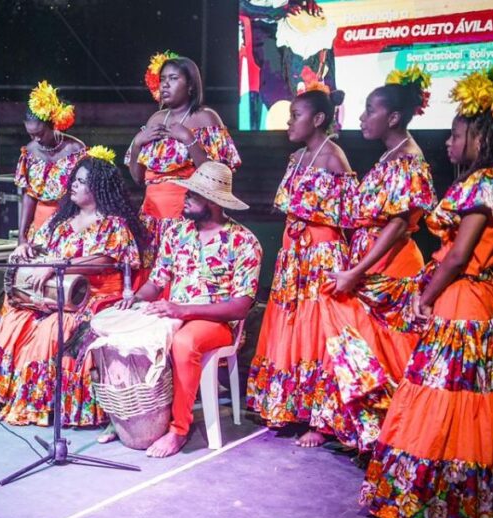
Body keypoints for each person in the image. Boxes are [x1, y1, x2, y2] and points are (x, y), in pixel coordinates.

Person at [361, 68, 493, 518]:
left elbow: (459, 256)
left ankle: (414, 513)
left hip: (460, 306)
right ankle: (448, 509)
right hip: (477, 305)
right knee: (465, 410)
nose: (449, 143)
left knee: (438, 408)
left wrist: (424, 299)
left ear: (482, 138)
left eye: (456, 135)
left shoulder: (487, 182)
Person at [315, 67, 437, 451]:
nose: (363, 118)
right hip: (371, 259)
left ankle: (399, 431)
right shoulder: (391, 156)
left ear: (394, 117)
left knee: (387, 346)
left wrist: (356, 270)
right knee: (367, 343)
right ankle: (376, 431)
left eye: (370, 110)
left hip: (390, 266)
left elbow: (399, 224)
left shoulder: (408, 161)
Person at [0, 146, 146, 426]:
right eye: (75, 180)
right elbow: (39, 246)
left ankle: (49, 403)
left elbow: (104, 260)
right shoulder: (61, 221)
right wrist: (27, 251)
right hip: (58, 291)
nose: (74, 186)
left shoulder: (112, 225)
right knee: (16, 315)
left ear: (98, 188)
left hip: (95, 295)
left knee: (51, 327)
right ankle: (18, 393)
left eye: (81, 182)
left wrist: (58, 267)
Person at [115, 161, 261, 457]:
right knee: (123, 333)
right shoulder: (178, 233)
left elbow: (241, 306)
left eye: (193, 196)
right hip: (175, 313)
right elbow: (156, 282)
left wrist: (183, 311)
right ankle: (130, 419)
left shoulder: (244, 242)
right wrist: (134, 299)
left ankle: (178, 430)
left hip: (215, 322)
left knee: (184, 342)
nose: (185, 199)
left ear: (213, 201)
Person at [246, 85, 357, 446]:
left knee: (316, 331)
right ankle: (288, 406)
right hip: (293, 254)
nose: (289, 122)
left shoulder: (334, 158)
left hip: (321, 255)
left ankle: (320, 421)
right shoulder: (296, 157)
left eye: (296, 116)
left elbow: (352, 216)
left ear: (319, 119)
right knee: (289, 324)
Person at [125, 53, 241, 287]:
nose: (165, 84)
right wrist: (138, 143)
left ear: (190, 85)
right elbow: (137, 177)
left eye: (173, 78)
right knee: (151, 282)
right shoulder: (156, 118)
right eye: (163, 79)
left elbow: (218, 175)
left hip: (185, 217)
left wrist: (189, 140)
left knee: (180, 278)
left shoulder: (205, 118)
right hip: (150, 220)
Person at [15, 80, 86, 241]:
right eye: (31, 134)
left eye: (40, 133)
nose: (36, 139)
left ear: (53, 125)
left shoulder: (76, 149)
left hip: (70, 223)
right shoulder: (29, 152)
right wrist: (22, 235)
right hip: (39, 226)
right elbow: (29, 196)